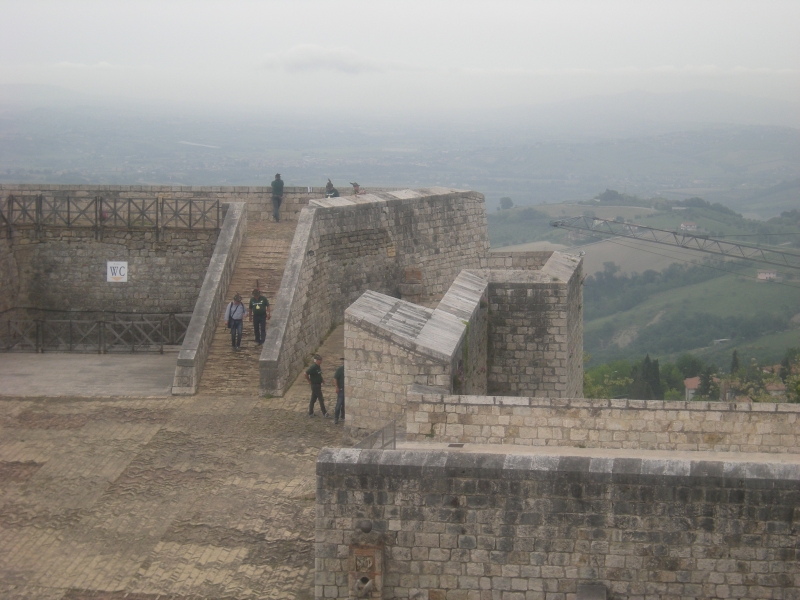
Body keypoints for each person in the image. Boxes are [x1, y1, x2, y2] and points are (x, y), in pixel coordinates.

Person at [333, 356, 345, 424]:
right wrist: (336, 387)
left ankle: (342, 416)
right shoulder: (340, 369)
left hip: (347, 389)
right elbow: (335, 378)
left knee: (344, 404)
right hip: (341, 388)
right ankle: (336, 418)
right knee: (339, 403)